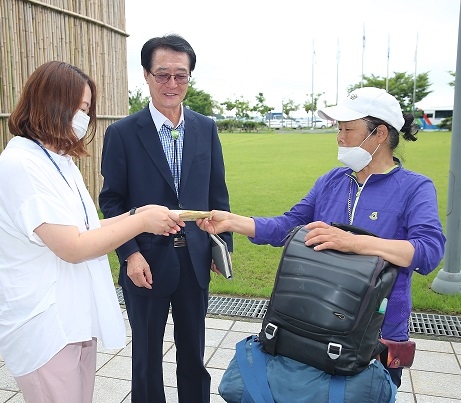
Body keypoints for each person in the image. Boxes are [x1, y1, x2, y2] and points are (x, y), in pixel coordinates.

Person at [198, 87, 445, 388]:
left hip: (377, 334)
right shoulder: (331, 181)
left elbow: (429, 251)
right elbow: (289, 225)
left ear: (380, 133)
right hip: (315, 326)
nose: (339, 137)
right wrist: (233, 221)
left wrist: (354, 242)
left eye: (347, 129)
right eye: (338, 129)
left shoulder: (415, 188)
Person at [0, 61, 184, 403]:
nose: (83, 118)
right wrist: (141, 223)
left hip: (73, 317)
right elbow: (72, 245)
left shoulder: (57, 160)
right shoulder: (21, 165)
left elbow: (84, 228)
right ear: (50, 103)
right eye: (78, 108)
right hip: (46, 325)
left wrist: (136, 213)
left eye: (87, 109)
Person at [98, 33, 232, 403]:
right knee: (145, 357)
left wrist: (222, 247)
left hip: (194, 261)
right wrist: (129, 254)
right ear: (145, 75)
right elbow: (111, 202)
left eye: (181, 75)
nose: (172, 84)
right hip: (145, 262)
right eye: (162, 74)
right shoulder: (123, 133)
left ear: (189, 77)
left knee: (194, 354)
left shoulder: (206, 128)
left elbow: (217, 194)